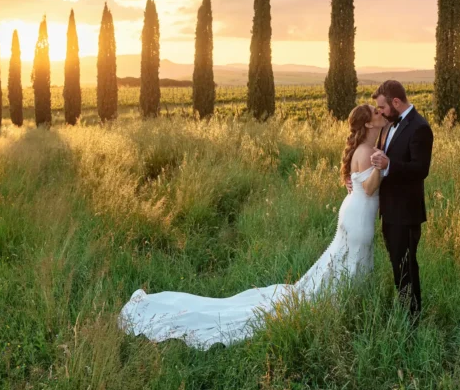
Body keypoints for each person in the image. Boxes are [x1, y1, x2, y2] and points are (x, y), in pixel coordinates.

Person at [118, 104, 388, 349]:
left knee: (344, 262)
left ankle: (345, 306)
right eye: (376, 112)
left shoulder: (366, 148)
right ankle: (343, 309)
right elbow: (368, 187)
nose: (380, 113)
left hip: (354, 211)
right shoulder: (367, 152)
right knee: (351, 261)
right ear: (367, 124)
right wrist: (382, 166)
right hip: (359, 216)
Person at [364, 80, 433, 319]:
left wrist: (390, 164)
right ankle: (405, 311)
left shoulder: (420, 127)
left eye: (382, 107)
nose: (380, 112)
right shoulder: (388, 125)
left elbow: (421, 169)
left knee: (406, 266)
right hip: (390, 210)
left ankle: (412, 319)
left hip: (406, 212)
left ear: (395, 102)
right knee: (397, 264)